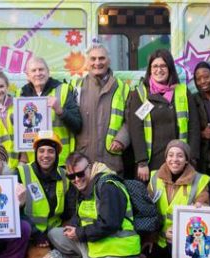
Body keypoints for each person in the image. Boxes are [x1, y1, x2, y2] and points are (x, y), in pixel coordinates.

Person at [47, 151, 149, 258]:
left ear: (91, 167)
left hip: (116, 249)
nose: (76, 180)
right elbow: (81, 215)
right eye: (71, 176)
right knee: (54, 234)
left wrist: (79, 233)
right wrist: (73, 228)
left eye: (80, 174)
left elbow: (110, 223)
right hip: (95, 244)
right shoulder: (86, 186)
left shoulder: (108, 186)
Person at [126, 49, 200, 182]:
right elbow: (136, 129)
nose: (159, 70)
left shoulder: (183, 91)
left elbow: (194, 127)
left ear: (170, 68)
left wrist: (192, 158)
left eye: (163, 66)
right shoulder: (141, 94)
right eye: (155, 66)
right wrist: (142, 162)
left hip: (179, 162)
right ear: (149, 70)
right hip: (151, 162)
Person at [148, 140, 210, 258]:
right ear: (165, 158)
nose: (174, 159)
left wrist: (179, 231)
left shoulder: (200, 180)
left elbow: (203, 212)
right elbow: (148, 211)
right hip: (159, 235)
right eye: (170, 155)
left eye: (180, 156)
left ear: (187, 160)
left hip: (183, 237)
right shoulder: (154, 178)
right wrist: (150, 235)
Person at [72, 43, 131, 176]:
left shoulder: (122, 88)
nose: (97, 63)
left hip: (110, 160)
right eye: (93, 59)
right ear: (87, 62)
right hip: (82, 161)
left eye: (101, 58)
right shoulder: (76, 87)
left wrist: (122, 139)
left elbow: (130, 119)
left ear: (109, 61)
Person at [19, 57, 82, 167]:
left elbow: (77, 125)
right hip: (33, 162)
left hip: (61, 160)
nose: (38, 73)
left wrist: (60, 110)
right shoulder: (20, 94)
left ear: (48, 72)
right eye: (34, 71)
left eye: (41, 69)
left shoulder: (64, 89)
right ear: (27, 75)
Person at [17, 132, 72, 242]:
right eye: (41, 151)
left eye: (51, 151)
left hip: (56, 233)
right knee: (37, 257)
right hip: (30, 235)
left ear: (57, 155)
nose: (46, 155)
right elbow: (16, 213)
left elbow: (69, 211)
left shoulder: (65, 176)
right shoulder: (21, 173)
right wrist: (35, 233)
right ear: (36, 153)